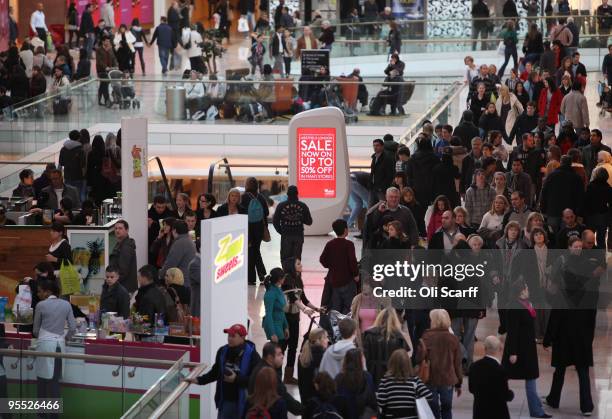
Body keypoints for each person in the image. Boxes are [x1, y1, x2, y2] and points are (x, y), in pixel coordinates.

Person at [186, 323, 260, 419]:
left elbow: (257, 380)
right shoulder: (222, 351)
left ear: (242, 337)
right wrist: (199, 380)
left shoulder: (253, 355)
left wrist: (236, 379)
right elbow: (215, 372)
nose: (229, 338)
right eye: (229, 335)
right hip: (225, 402)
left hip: (244, 403)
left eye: (233, 336)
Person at [502, 280, 551, 418]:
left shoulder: (526, 304)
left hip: (528, 347)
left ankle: (536, 409)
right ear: (521, 291)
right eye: (526, 288)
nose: (528, 290)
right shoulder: (514, 307)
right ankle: (536, 410)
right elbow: (512, 331)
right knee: (519, 376)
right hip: (518, 349)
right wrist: (512, 352)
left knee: (531, 377)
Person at [33, 279, 76, 404]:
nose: (38, 294)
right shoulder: (66, 304)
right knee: (54, 382)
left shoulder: (40, 305)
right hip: (60, 346)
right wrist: (65, 339)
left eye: (40, 291)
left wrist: (41, 335)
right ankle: (54, 416)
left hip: (44, 345)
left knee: (42, 382)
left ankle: (41, 415)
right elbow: (73, 328)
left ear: (48, 292)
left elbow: (35, 330)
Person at [416, 309, 463, 419]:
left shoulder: (426, 336)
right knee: (447, 408)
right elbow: (457, 363)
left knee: (433, 408)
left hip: (431, 377)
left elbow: (419, 358)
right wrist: (459, 383)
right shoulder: (453, 339)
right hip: (448, 379)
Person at [281, 257, 319, 385]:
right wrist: (304, 309)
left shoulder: (298, 278)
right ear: (292, 266)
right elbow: (292, 298)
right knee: (283, 346)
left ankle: (288, 376)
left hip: (295, 317)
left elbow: (303, 298)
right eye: (298, 263)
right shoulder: (286, 279)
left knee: (293, 346)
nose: (301, 265)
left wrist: (316, 308)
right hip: (285, 318)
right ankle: (275, 376)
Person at [248, 342, 303, 415]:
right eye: (279, 354)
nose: (282, 356)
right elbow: (285, 397)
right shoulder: (268, 375)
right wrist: (303, 410)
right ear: (270, 358)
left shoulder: (260, 367)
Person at [377, 349, 433, 419]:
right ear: (408, 363)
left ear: (391, 363)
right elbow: (429, 396)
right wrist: (415, 397)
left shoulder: (386, 381)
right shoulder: (414, 380)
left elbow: (381, 402)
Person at [362, 308, 412, 386]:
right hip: (392, 374)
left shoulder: (369, 335)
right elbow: (403, 358)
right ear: (395, 319)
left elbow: (365, 356)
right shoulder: (398, 337)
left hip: (372, 372)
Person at [468, 336, 514, 419]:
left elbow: (471, 389)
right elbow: (505, 395)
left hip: (479, 411)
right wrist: (511, 394)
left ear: (484, 348)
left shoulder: (474, 367)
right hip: (498, 413)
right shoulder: (501, 370)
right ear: (500, 349)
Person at [319, 219, 359, 314]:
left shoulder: (330, 244)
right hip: (348, 281)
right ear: (345, 230)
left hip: (334, 281)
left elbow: (322, 259)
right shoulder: (349, 245)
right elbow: (352, 261)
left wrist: (331, 266)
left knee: (336, 309)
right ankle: (347, 327)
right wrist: (356, 274)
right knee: (349, 308)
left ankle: (336, 328)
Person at [540, 155, 585, 232]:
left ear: (560, 163)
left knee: (552, 235)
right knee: (567, 235)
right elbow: (581, 197)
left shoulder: (551, 176)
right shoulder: (576, 177)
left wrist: (543, 209)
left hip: (553, 211)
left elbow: (544, 193)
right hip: (570, 213)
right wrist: (579, 213)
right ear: (570, 163)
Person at [272, 185, 312, 263]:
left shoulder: (281, 205)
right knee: (297, 260)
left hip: (286, 235)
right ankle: (296, 275)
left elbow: (275, 221)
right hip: (298, 235)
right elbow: (309, 222)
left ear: (287, 194)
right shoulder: (302, 206)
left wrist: (281, 231)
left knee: (285, 259)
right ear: (297, 193)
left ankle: (287, 274)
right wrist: (300, 218)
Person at [241, 177, 269, 285]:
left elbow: (241, 213)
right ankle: (262, 275)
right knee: (255, 250)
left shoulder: (244, 197)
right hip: (260, 229)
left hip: (248, 228)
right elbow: (266, 212)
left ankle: (251, 278)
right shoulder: (261, 197)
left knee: (251, 251)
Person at [335, 348, 377, 418]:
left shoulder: (339, 378)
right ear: (360, 360)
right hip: (363, 415)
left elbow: (336, 400)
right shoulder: (367, 377)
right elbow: (372, 401)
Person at [297, 328, 329, 404]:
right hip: (317, 402)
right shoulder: (322, 357)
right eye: (325, 338)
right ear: (318, 341)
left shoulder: (303, 355)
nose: (328, 340)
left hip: (305, 399)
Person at [159, 220, 196, 284]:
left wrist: (160, 274)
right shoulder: (189, 240)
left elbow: (170, 264)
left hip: (181, 282)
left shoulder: (179, 243)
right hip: (189, 280)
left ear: (174, 230)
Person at [584, 168, 612, 249]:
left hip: (591, 215)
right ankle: (601, 259)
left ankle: (589, 257)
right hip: (603, 215)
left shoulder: (590, 186)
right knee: (601, 239)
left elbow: (586, 201)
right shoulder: (608, 188)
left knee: (589, 238)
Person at [109, 220, 137, 293]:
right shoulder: (120, 244)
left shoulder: (126, 247)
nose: (117, 230)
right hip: (122, 286)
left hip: (124, 287)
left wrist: (112, 282)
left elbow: (123, 271)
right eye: (116, 228)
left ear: (127, 230)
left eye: (120, 228)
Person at [262, 268, 288, 348]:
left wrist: (286, 326)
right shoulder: (270, 294)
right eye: (284, 277)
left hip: (280, 325)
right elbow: (268, 315)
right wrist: (272, 333)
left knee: (282, 349)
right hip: (274, 326)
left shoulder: (279, 290)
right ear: (280, 279)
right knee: (278, 351)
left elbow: (281, 311)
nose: (285, 279)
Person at [59, 130, 86, 201]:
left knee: (68, 196)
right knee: (79, 195)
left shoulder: (63, 149)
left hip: (67, 176)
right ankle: (78, 210)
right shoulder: (80, 149)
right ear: (79, 138)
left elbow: (61, 164)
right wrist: (83, 176)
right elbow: (83, 165)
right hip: (78, 176)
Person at [368, 138, 396, 207]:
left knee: (384, 206)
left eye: (377, 145)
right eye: (374, 146)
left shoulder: (387, 158)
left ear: (382, 146)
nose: (375, 147)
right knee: (370, 208)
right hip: (373, 187)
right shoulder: (374, 157)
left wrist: (383, 187)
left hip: (381, 189)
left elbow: (390, 174)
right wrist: (370, 184)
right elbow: (372, 172)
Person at [96, 37, 118, 106]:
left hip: (110, 70)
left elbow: (114, 58)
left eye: (108, 41)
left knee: (102, 85)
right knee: (104, 84)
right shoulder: (99, 50)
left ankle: (99, 100)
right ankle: (107, 100)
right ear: (103, 42)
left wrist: (116, 65)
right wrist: (105, 67)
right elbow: (99, 61)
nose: (108, 42)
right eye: (106, 41)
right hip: (102, 71)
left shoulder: (110, 49)